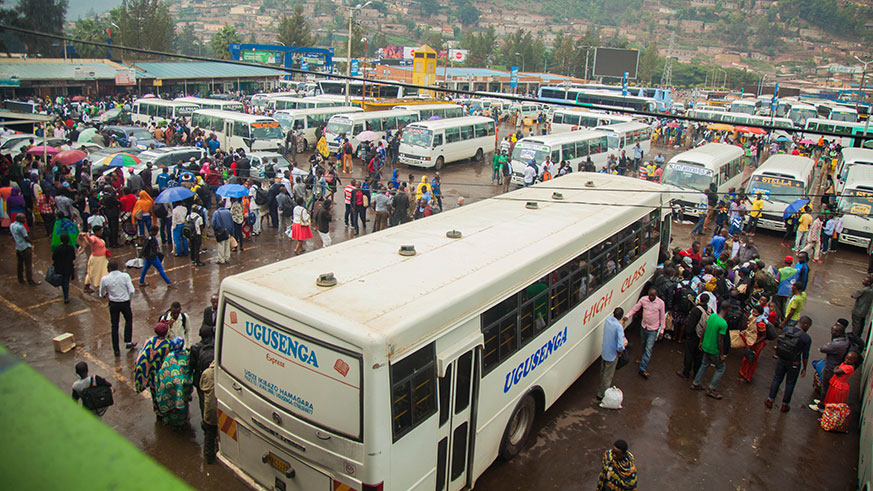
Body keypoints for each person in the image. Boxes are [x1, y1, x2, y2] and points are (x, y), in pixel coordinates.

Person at [766, 315, 812, 413]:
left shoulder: (787, 329)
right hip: (794, 363)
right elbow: (805, 355)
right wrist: (804, 367)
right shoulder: (806, 338)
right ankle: (784, 405)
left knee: (777, 379)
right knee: (790, 384)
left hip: (782, 359)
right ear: (805, 325)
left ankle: (770, 400)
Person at [624, 288, 666, 379]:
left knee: (648, 348)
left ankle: (642, 368)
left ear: (656, 295)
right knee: (643, 344)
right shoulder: (643, 300)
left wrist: (662, 330)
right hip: (644, 327)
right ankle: (643, 358)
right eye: (650, 295)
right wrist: (627, 316)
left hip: (653, 329)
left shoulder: (660, 303)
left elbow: (662, 317)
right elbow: (635, 309)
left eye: (653, 296)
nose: (651, 297)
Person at [691, 300, 729, 400]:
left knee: (704, 364)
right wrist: (722, 354)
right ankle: (711, 389)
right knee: (721, 368)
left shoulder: (712, 316)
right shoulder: (723, 323)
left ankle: (696, 383)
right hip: (714, 349)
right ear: (728, 310)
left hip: (706, 346)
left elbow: (704, 328)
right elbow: (720, 340)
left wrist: (701, 341)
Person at [810, 319, 850, 412]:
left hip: (831, 367)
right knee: (826, 387)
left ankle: (821, 406)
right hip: (833, 365)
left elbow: (824, 348)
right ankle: (822, 402)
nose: (831, 332)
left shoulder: (837, 344)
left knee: (825, 387)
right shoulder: (844, 341)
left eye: (833, 331)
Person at [99, 260, 136, 356]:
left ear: (109, 268)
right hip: (125, 302)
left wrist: (106, 295)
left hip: (113, 303)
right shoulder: (125, 276)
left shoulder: (105, 279)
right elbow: (131, 290)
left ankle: (116, 349)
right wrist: (129, 299)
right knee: (128, 320)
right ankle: (128, 341)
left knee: (114, 325)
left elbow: (101, 293)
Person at [154, 337, 193, 427]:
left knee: (170, 406)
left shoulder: (169, 356)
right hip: (182, 388)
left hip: (169, 388)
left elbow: (162, 372)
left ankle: (170, 422)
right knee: (182, 406)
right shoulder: (186, 355)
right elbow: (189, 371)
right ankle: (181, 423)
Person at [677, 294, 710, 380]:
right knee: (698, 357)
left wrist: (688, 335)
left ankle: (686, 373)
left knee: (689, 355)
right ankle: (696, 374)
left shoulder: (696, 310)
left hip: (693, 336)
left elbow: (691, 324)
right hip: (702, 337)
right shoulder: (710, 310)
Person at [598, 308, 627, 401]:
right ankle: (602, 394)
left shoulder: (607, 320)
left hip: (605, 351)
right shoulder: (618, 327)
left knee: (603, 372)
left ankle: (601, 388)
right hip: (612, 354)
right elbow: (620, 344)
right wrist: (620, 351)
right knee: (608, 375)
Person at [189, 320, 215, 421]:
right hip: (213, 379)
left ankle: (205, 420)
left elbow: (191, 365)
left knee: (203, 402)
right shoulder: (215, 347)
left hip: (200, 380)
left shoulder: (195, 348)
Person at [11, 214, 39, 286]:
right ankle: (30, 281)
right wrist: (32, 242)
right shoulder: (21, 227)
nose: (25, 220)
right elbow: (26, 237)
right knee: (28, 265)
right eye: (23, 219)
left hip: (18, 247)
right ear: (20, 219)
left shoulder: (12, 225)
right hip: (25, 247)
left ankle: (20, 279)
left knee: (19, 264)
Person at [200, 361, 218, 463]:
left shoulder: (207, 373)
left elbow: (202, 386)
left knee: (209, 434)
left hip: (210, 410)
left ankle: (209, 457)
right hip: (221, 407)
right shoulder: (222, 372)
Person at [52, 233, 76, 303]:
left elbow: (54, 257)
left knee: (63, 281)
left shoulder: (57, 248)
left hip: (59, 267)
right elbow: (73, 257)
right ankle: (66, 295)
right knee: (66, 281)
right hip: (68, 267)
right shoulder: (71, 248)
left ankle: (65, 295)